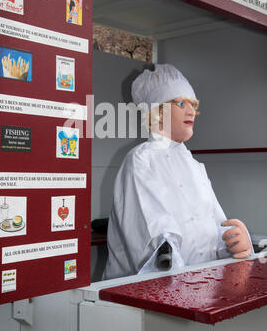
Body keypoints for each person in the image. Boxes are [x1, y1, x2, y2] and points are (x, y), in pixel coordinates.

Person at [102, 64, 253, 280]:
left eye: (193, 104)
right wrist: (193, 284)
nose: (191, 111)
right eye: (181, 103)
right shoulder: (141, 160)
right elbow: (155, 244)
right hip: (143, 299)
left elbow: (214, 229)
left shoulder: (194, 165)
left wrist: (236, 242)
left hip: (200, 288)